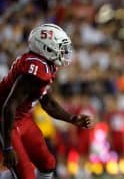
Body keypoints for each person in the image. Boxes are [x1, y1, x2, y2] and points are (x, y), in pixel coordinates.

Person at [0, 23, 93, 179]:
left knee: (48, 163)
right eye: (61, 47)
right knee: (26, 175)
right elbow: (9, 106)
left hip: (21, 119)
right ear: (46, 48)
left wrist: (72, 118)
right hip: (5, 120)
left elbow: (48, 103)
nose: (65, 52)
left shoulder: (43, 65)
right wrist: (8, 147)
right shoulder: (36, 70)